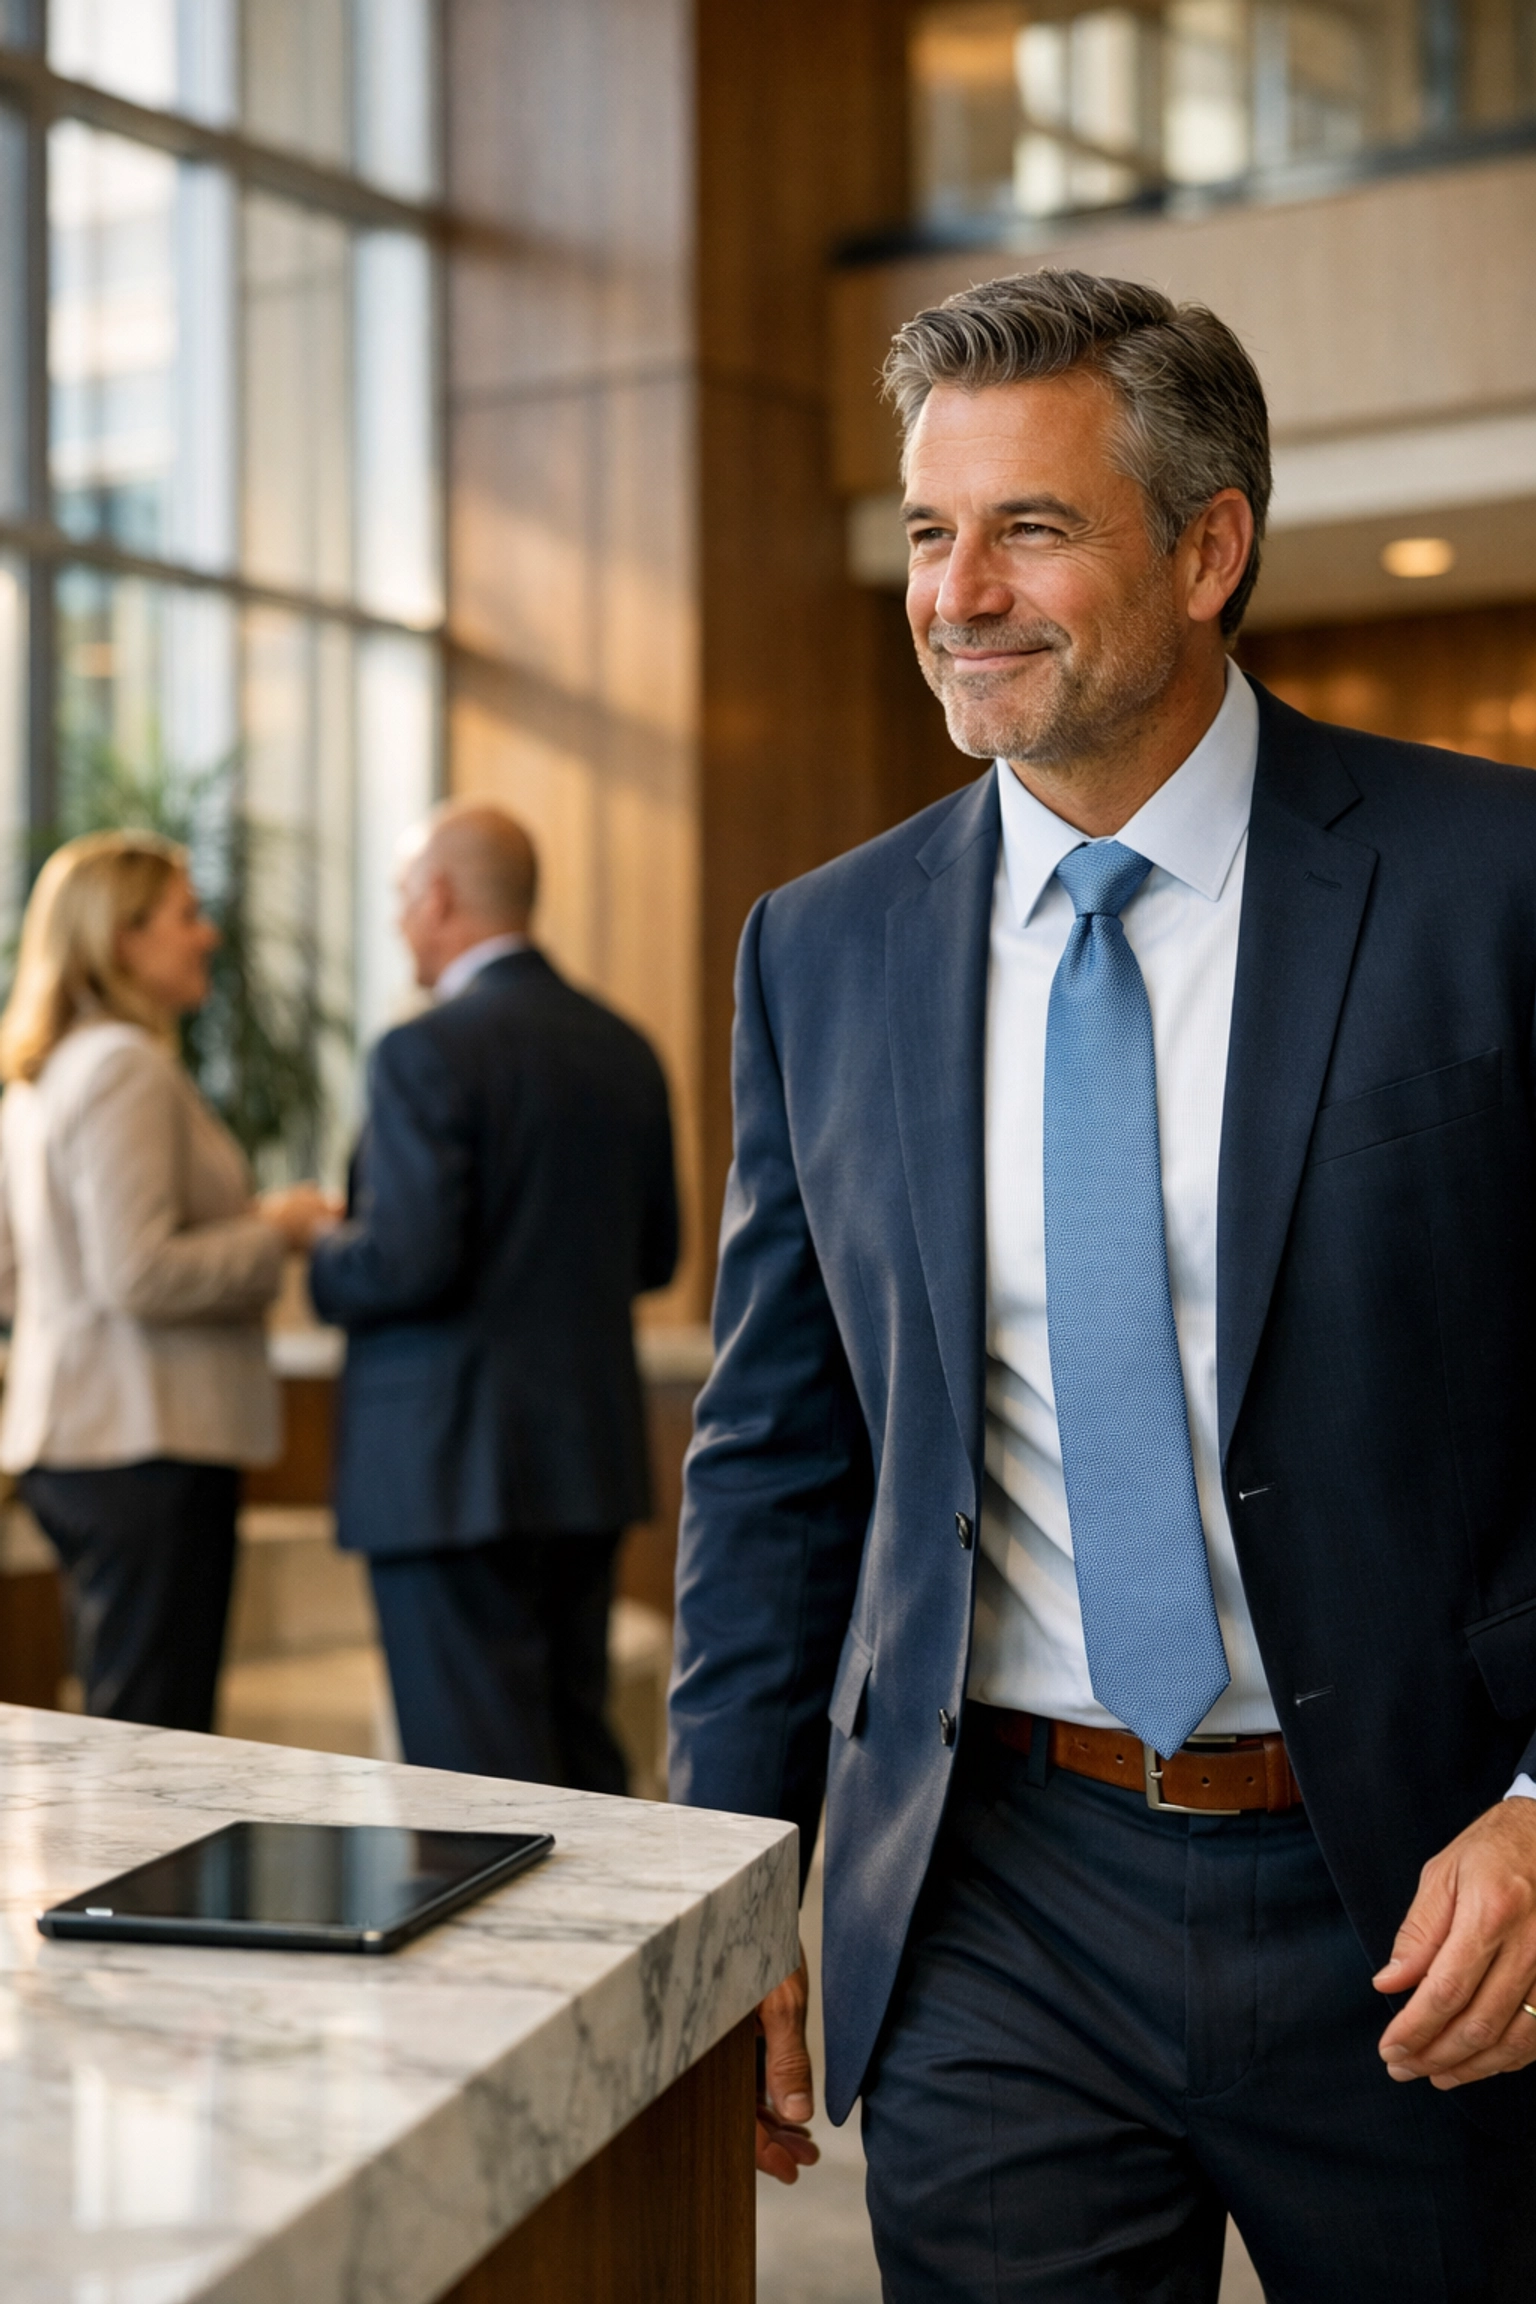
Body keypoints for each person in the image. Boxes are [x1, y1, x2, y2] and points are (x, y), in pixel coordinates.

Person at [668, 269, 1536, 2301]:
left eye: (1031, 527)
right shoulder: (823, 945)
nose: (957, 592)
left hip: (1428, 1888)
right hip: (1001, 1897)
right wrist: (733, 1894)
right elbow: (777, 1462)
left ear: (1210, 545)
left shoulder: (1493, 888)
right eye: (926, 531)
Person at [306, 800, 679, 1789]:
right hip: (581, 1461)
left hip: (444, 1473)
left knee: (473, 1788)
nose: (396, 924)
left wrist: (318, 1250)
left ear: (438, 900)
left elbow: (407, 1261)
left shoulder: (422, 1052)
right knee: (574, 1755)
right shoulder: (624, 1047)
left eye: (399, 900)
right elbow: (657, 1254)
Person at [0, 832, 329, 1731]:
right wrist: (275, 1229)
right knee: (153, 1741)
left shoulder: (43, 1075)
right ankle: (146, 1886)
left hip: (83, 1441)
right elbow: (136, 1271)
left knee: (128, 1727)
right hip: (141, 1439)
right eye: (186, 916)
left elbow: (11, 1278)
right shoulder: (123, 1069)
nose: (208, 936)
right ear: (121, 939)